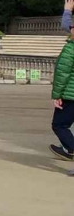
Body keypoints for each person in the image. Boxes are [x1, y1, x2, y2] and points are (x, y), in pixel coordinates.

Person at [50, 17, 74, 164]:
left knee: (59, 125)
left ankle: (71, 149)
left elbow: (62, 74)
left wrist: (57, 95)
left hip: (71, 96)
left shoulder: (70, 49)